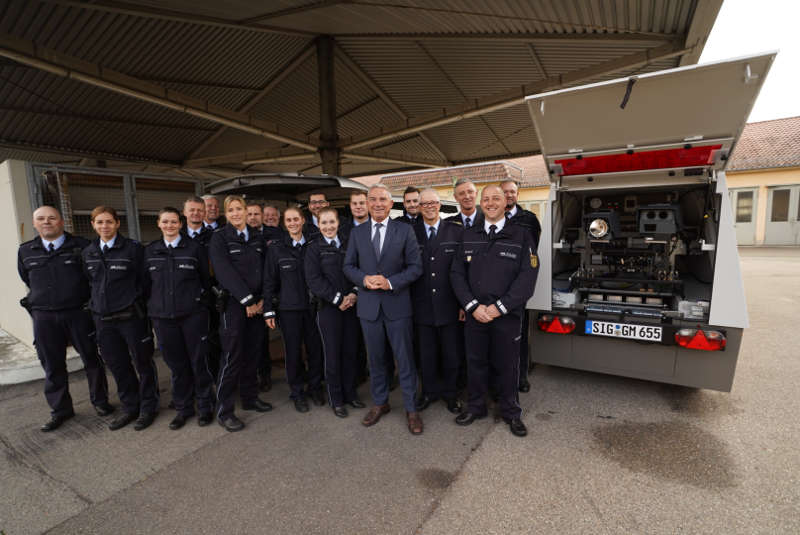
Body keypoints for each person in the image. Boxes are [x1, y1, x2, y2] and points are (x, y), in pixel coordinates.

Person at [450, 185, 538, 437]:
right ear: (481, 202)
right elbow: (456, 274)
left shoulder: (521, 235)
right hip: (475, 315)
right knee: (475, 363)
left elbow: (527, 278)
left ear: (505, 202)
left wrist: (500, 307)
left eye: (496, 198)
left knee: (507, 365)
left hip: (506, 317)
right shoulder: (469, 235)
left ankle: (511, 412)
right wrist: (472, 306)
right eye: (486, 199)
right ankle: (476, 407)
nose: (490, 203)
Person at [17, 206, 113, 432]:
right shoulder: (26, 251)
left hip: (78, 313)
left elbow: (92, 277)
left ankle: (100, 402)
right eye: (41, 219)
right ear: (34, 223)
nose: (46, 222)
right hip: (44, 316)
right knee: (52, 364)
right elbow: (27, 278)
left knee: (91, 359)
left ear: (61, 222)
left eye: (52, 218)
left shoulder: (81, 247)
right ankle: (60, 410)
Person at [343, 184, 424, 435]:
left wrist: (389, 282)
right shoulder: (357, 233)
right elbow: (348, 266)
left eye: (383, 200)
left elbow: (415, 267)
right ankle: (380, 403)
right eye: (373, 199)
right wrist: (364, 279)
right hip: (369, 308)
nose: (378, 203)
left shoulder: (405, 231)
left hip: (397, 305)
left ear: (391, 204)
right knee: (376, 359)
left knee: (405, 360)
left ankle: (411, 409)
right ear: (367, 204)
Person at [82, 206, 158, 431]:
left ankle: (148, 407)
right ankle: (130, 407)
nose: (104, 226)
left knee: (143, 363)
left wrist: (134, 302)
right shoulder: (89, 252)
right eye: (99, 222)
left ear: (117, 224)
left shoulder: (133, 249)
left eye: (108, 222)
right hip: (103, 320)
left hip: (131, 317)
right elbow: (90, 281)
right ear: (93, 225)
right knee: (118, 365)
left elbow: (145, 281)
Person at [144, 207, 215, 430]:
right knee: (176, 365)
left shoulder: (194, 249)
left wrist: (198, 304)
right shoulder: (150, 251)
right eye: (165, 222)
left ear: (180, 224)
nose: (170, 226)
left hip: (192, 316)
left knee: (198, 362)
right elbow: (145, 285)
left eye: (174, 222)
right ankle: (184, 409)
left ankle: (205, 407)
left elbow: (206, 280)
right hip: (163, 318)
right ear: (158, 224)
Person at [208, 196, 273, 432]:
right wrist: (246, 300)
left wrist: (264, 299)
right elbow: (224, 272)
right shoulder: (220, 238)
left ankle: (250, 397)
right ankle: (225, 410)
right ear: (226, 213)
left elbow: (267, 270)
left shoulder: (257, 237)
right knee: (232, 356)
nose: (236, 213)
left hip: (257, 304)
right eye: (231, 210)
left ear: (247, 211)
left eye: (239, 209)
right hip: (235, 305)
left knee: (253, 353)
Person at [304, 207, 364, 418]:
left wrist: (354, 294)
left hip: (351, 306)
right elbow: (313, 280)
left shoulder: (349, 244)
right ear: (318, 225)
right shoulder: (313, 249)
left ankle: (350, 394)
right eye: (324, 223)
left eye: (332, 222)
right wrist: (338, 299)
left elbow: (359, 269)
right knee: (332, 356)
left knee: (350, 352)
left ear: (338, 223)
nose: (328, 227)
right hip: (329, 309)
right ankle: (336, 398)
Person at [263, 207, 325, 413]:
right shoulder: (277, 248)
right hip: (288, 309)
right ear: (284, 223)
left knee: (316, 350)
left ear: (303, 221)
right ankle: (297, 392)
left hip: (313, 307)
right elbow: (269, 281)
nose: (292, 223)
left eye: (295, 219)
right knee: (293, 352)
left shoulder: (314, 244)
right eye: (288, 220)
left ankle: (315, 388)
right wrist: (269, 310)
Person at [411, 190, 463, 414]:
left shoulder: (455, 231)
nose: (429, 206)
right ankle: (429, 392)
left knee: (452, 354)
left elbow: (463, 270)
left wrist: (463, 304)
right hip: (421, 306)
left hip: (450, 305)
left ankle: (451, 395)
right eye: (425, 203)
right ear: (419, 207)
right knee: (426, 355)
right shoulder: (410, 232)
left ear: (440, 205)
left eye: (433, 203)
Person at [500, 179, 542, 393]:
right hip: (495, 286)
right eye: (504, 192)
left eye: (512, 192)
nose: (508, 195)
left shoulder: (529, 220)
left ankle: (521, 376)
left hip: (517, 287)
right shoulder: (488, 217)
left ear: (518, 194)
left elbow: (532, 256)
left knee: (519, 334)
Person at [182, 196, 220, 380]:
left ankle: (215, 383)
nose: (196, 213)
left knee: (212, 342)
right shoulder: (175, 235)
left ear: (204, 213)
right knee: (185, 347)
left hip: (209, 299)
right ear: (185, 212)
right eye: (192, 210)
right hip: (183, 299)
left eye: (199, 210)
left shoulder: (215, 236)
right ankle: (191, 386)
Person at [245, 200, 274, 393]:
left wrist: (265, 298)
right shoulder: (242, 238)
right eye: (250, 214)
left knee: (262, 341)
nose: (253, 217)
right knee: (245, 342)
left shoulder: (273, 235)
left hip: (264, 294)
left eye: (257, 214)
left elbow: (270, 272)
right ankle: (249, 377)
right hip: (244, 298)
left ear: (263, 216)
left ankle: (265, 375)